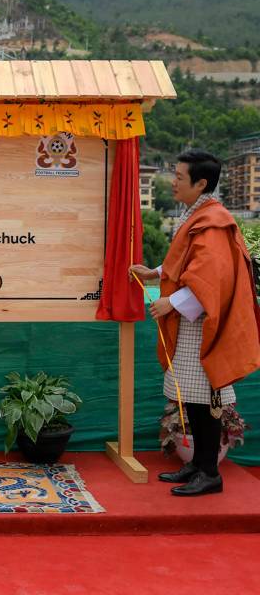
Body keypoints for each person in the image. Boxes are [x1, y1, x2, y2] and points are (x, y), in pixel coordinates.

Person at [130, 149, 260, 496]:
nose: (173, 182)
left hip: (206, 328)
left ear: (201, 183)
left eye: (179, 177)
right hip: (195, 324)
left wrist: (169, 301)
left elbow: (209, 279)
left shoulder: (213, 221)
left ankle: (209, 471)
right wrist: (156, 272)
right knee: (192, 398)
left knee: (206, 401)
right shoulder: (201, 215)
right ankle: (199, 465)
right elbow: (188, 262)